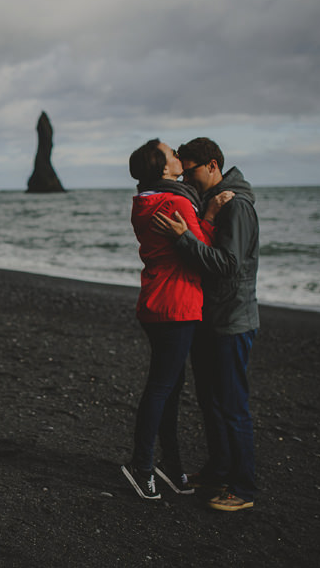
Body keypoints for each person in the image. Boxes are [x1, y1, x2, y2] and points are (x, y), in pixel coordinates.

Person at [152, 137, 260, 512]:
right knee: (210, 402)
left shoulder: (237, 206)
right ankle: (217, 472)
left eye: (191, 169)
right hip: (209, 318)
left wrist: (183, 238)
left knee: (232, 406)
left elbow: (228, 264)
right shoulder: (210, 203)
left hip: (231, 319)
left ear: (212, 165)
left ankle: (243, 488)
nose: (185, 176)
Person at [121, 139, 225, 500]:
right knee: (162, 389)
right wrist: (209, 216)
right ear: (163, 168)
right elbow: (203, 252)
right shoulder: (176, 201)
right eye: (172, 154)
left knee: (170, 389)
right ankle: (143, 467)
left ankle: (170, 464)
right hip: (176, 305)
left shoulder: (144, 200)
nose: (179, 158)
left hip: (155, 302)